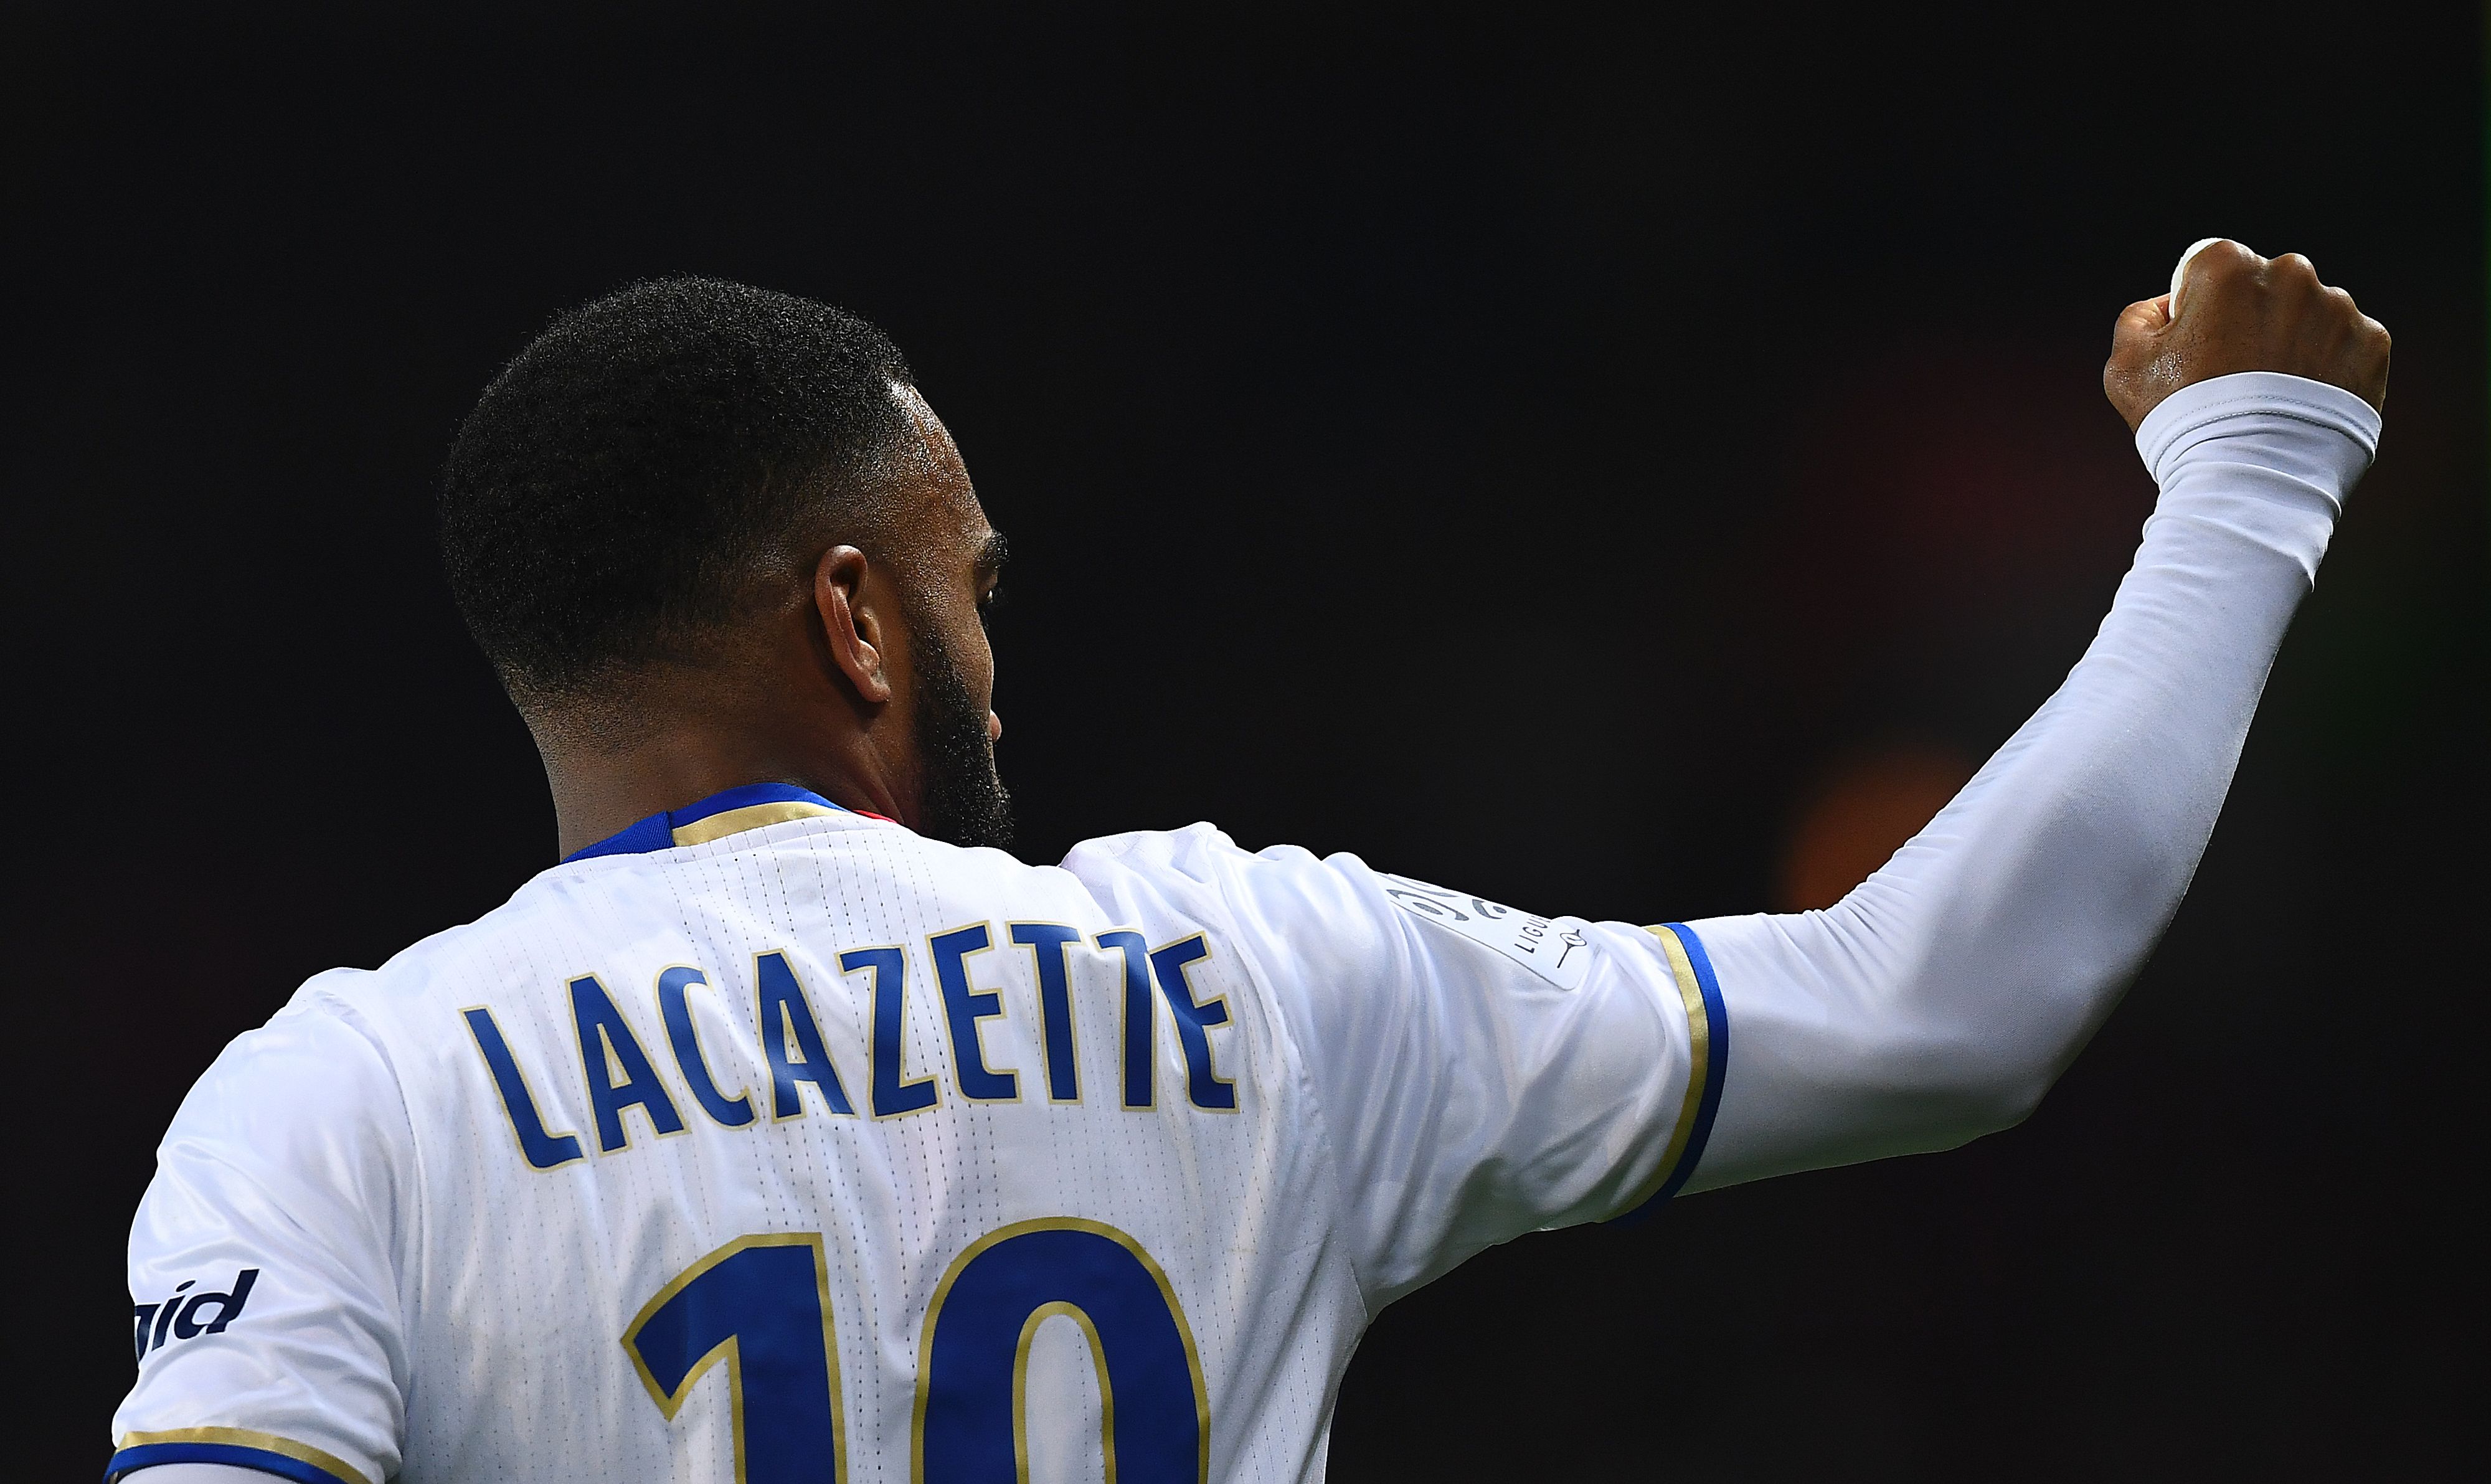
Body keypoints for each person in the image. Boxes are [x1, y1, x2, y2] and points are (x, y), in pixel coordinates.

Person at [107, 242, 2388, 1484]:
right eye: (968, 581)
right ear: (854, 618)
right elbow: (1946, 1007)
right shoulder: (1254, 972)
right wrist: (2251, 473)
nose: (995, 640)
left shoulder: (334, 1102)